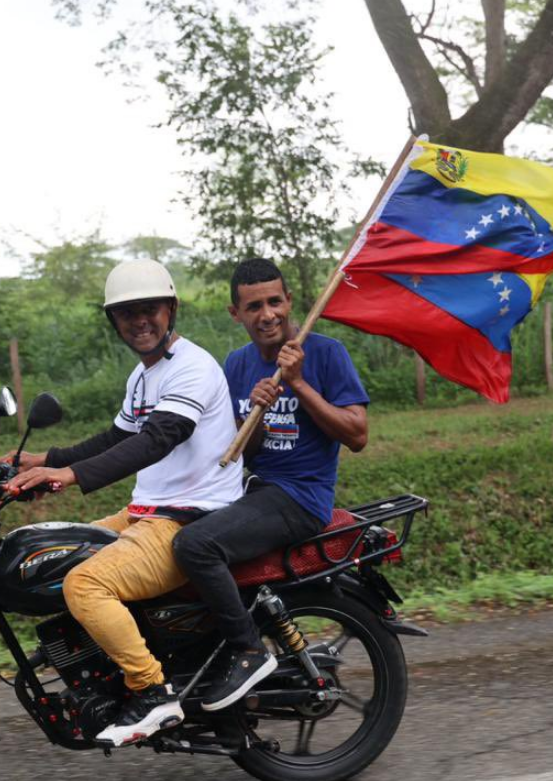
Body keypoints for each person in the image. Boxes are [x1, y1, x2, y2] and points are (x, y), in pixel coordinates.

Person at [8, 259, 243, 746]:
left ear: (171, 309)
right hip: (149, 512)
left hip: (187, 518)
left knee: (85, 584)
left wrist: (69, 475)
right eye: (127, 312)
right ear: (113, 321)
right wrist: (43, 458)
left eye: (150, 308)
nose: (140, 320)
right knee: (59, 552)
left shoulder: (192, 368)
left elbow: (158, 439)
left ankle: (151, 689)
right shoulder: (144, 376)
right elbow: (117, 436)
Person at [172, 257, 369, 712]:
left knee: (196, 546)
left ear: (290, 301)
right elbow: (240, 448)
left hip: (300, 497)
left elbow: (357, 435)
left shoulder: (326, 354)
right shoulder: (237, 365)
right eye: (254, 305)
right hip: (251, 490)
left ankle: (248, 651)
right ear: (235, 313)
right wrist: (253, 416)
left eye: (275, 301)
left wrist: (299, 385)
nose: (267, 315)